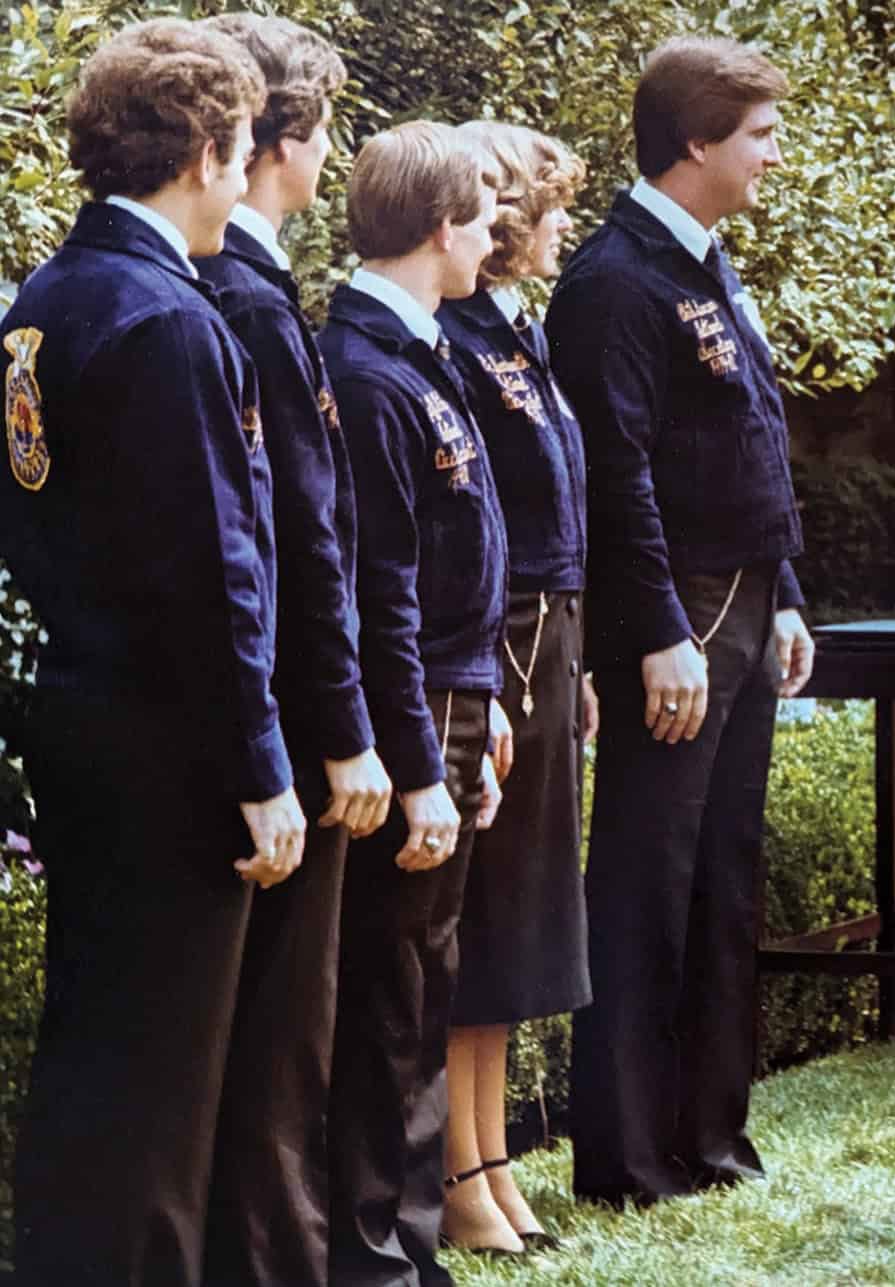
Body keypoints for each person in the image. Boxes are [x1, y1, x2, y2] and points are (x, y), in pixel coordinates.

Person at [0, 20, 308, 1285]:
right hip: (170, 747)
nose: (245, 179)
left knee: (92, 1054)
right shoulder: (168, 323)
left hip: (73, 721)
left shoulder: (40, 302)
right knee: (165, 1085)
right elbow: (214, 575)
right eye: (240, 152)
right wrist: (261, 764)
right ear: (200, 153)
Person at [549, 34, 815, 1210]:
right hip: (682, 617)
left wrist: (790, 592)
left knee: (725, 881)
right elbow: (618, 471)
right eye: (759, 133)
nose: (774, 154)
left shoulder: (706, 265)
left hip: (748, 604)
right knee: (649, 885)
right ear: (695, 140)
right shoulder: (614, 280)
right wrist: (657, 627)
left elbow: (751, 439)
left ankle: (709, 1136)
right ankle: (629, 1155)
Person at [190, 17, 393, 1284]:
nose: (333, 161)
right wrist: (346, 732)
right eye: (324, 132)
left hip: (236, 715)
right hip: (281, 725)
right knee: (278, 1041)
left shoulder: (234, 292)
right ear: (279, 142)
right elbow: (302, 551)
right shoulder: (248, 307)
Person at [318, 121, 508, 1285]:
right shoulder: (366, 371)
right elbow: (379, 591)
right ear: (442, 228)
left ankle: (407, 1247)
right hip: (411, 709)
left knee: (425, 981)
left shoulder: (418, 356)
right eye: (485, 217)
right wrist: (423, 758)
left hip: (453, 696)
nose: (494, 239)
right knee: (388, 995)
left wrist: (478, 712)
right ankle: (375, 1256)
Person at [436, 119, 594, 1256]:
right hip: (497, 644)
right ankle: (455, 1172)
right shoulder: (450, 338)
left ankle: (491, 1161)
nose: (560, 228)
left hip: (551, 638)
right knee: (479, 917)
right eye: (549, 209)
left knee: (519, 923)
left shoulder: (514, 335)